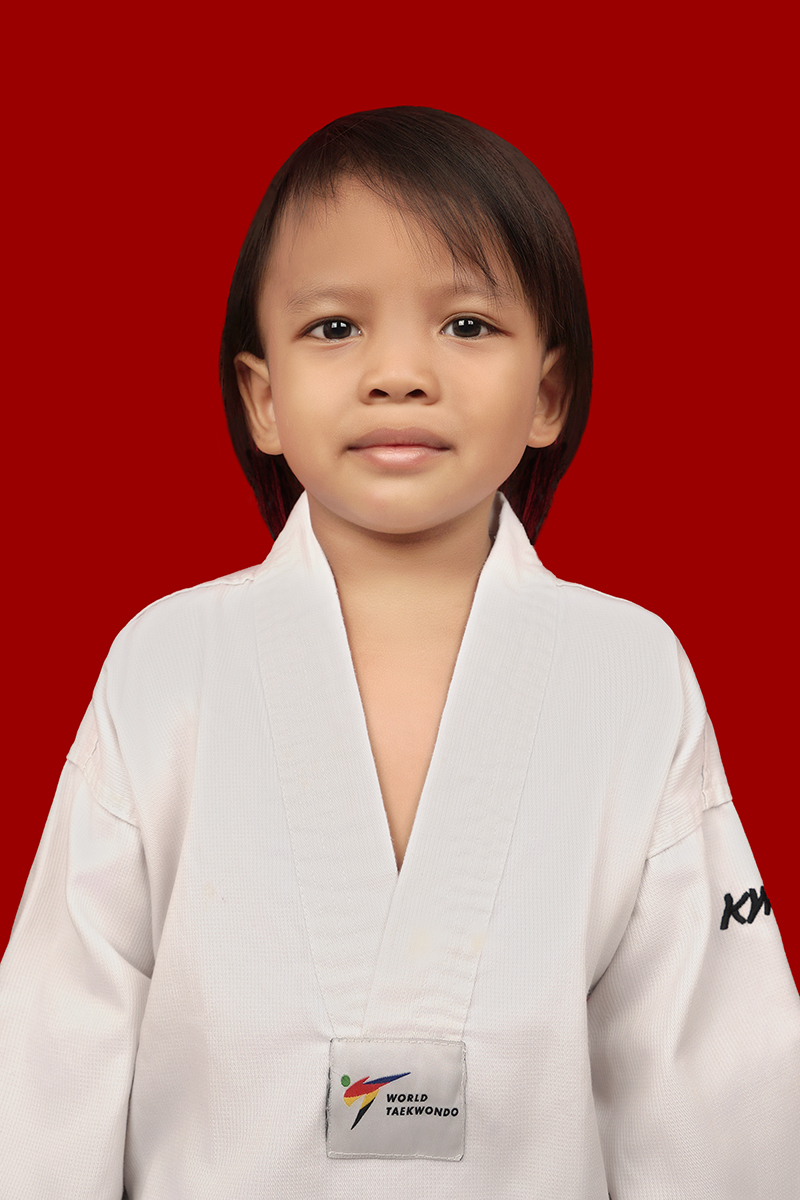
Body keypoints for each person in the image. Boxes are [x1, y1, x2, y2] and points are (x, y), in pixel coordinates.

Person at [0, 106, 797, 1199]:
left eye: (466, 324)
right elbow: (51, 1050)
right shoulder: (168, 663)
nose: (398, 373)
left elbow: (711, 1072)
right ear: (263, 398)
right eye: (335, 327)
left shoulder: (628, 673)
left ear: (548, 395)